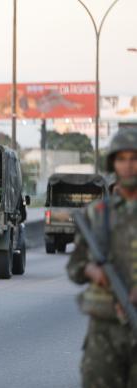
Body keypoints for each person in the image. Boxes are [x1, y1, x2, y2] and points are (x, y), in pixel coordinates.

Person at [67, 129, 137, 388]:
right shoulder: (97, 214)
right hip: (104, 333)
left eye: (134, 158)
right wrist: (93, 271)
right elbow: (75, 268)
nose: (128, 166)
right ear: (113, 164)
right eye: (122, 159)